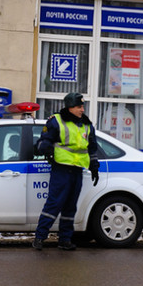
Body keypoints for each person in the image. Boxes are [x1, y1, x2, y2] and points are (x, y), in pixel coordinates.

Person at [32, 92, 99, 251]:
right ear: (69, 107)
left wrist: (94, 166)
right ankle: (40, 237)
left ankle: (65, 240)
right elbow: (45, 139)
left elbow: (92, 148)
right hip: (61, 169)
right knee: (54, 204)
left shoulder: (86, 125)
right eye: (78, 107)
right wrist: (44, 146)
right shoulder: (56, 121)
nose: (82, 110)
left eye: (83, 106)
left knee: (70, 207)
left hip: (77, 171)